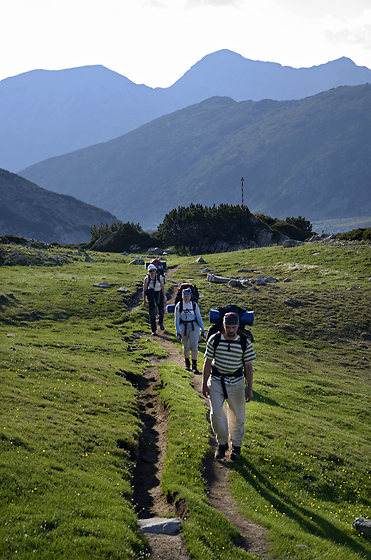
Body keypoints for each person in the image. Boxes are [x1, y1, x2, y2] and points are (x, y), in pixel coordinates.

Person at [202, 311, 256, 460]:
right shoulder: (215, 339)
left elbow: (248, 367)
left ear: (238, 326)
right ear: (223, 326)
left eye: (233, 327)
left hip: (236, 383)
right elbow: (207, 363)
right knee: (216, 414)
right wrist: (204, 384)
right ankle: (222, 445)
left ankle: (236, 447)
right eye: (228, 327)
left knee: (237, 416)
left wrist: (249, 388)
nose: (231, 330)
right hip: (216, 381)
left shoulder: (245, 342)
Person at [175, 287, 206, 373]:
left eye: (187, 296)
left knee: (194, 345)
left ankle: (195, 366)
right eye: (184, 296)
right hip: (183, 326)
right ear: (182, 296)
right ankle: (187, 364)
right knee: (186, 346)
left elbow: (199, 317)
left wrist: (203, 329)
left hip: (194, 326)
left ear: (190, 296)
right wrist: (177, 331)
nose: (186, 298)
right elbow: (177, 319)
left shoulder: (194, 305)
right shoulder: (179, 305)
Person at [143, 263, 167, 335]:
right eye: (151, 271)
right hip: (151, 295)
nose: (152, 272)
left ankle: (161, 322)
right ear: (148, 272)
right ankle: (154, 330)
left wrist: (164, 297)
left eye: (153, 270)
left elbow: (163, 288)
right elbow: (144, 290)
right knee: (152, 313)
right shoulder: (147, 279)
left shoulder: (160, 278)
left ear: (156, 270)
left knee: (161, 311)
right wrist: (144, 300)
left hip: (159, 294)